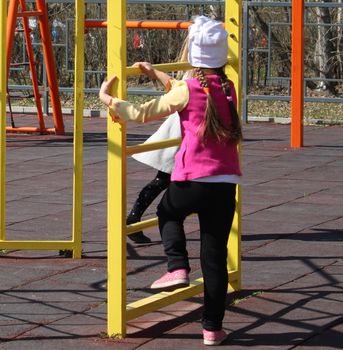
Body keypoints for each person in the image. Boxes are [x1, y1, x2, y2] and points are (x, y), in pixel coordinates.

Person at [99, 16, 242, 346]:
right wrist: (156, 73)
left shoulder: (189, 91)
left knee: (167, 212)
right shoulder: (227, 88)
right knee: (215, 257)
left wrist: (107, 99)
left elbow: (139, 113)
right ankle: (212, 329)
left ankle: (177, 266)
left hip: (192, 179)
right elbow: (184, 89)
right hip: (225, 183)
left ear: (194, 56)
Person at [127, 36, 190, 244]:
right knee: (164, 180)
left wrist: (153, 71)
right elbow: (175, 87)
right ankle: (139, 218)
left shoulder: (198, 72)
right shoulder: (199, 73)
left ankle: (138, 218)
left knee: (167, 180)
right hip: (181, 132)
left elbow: (173, 86)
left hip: (185, 131)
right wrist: (152, 71)